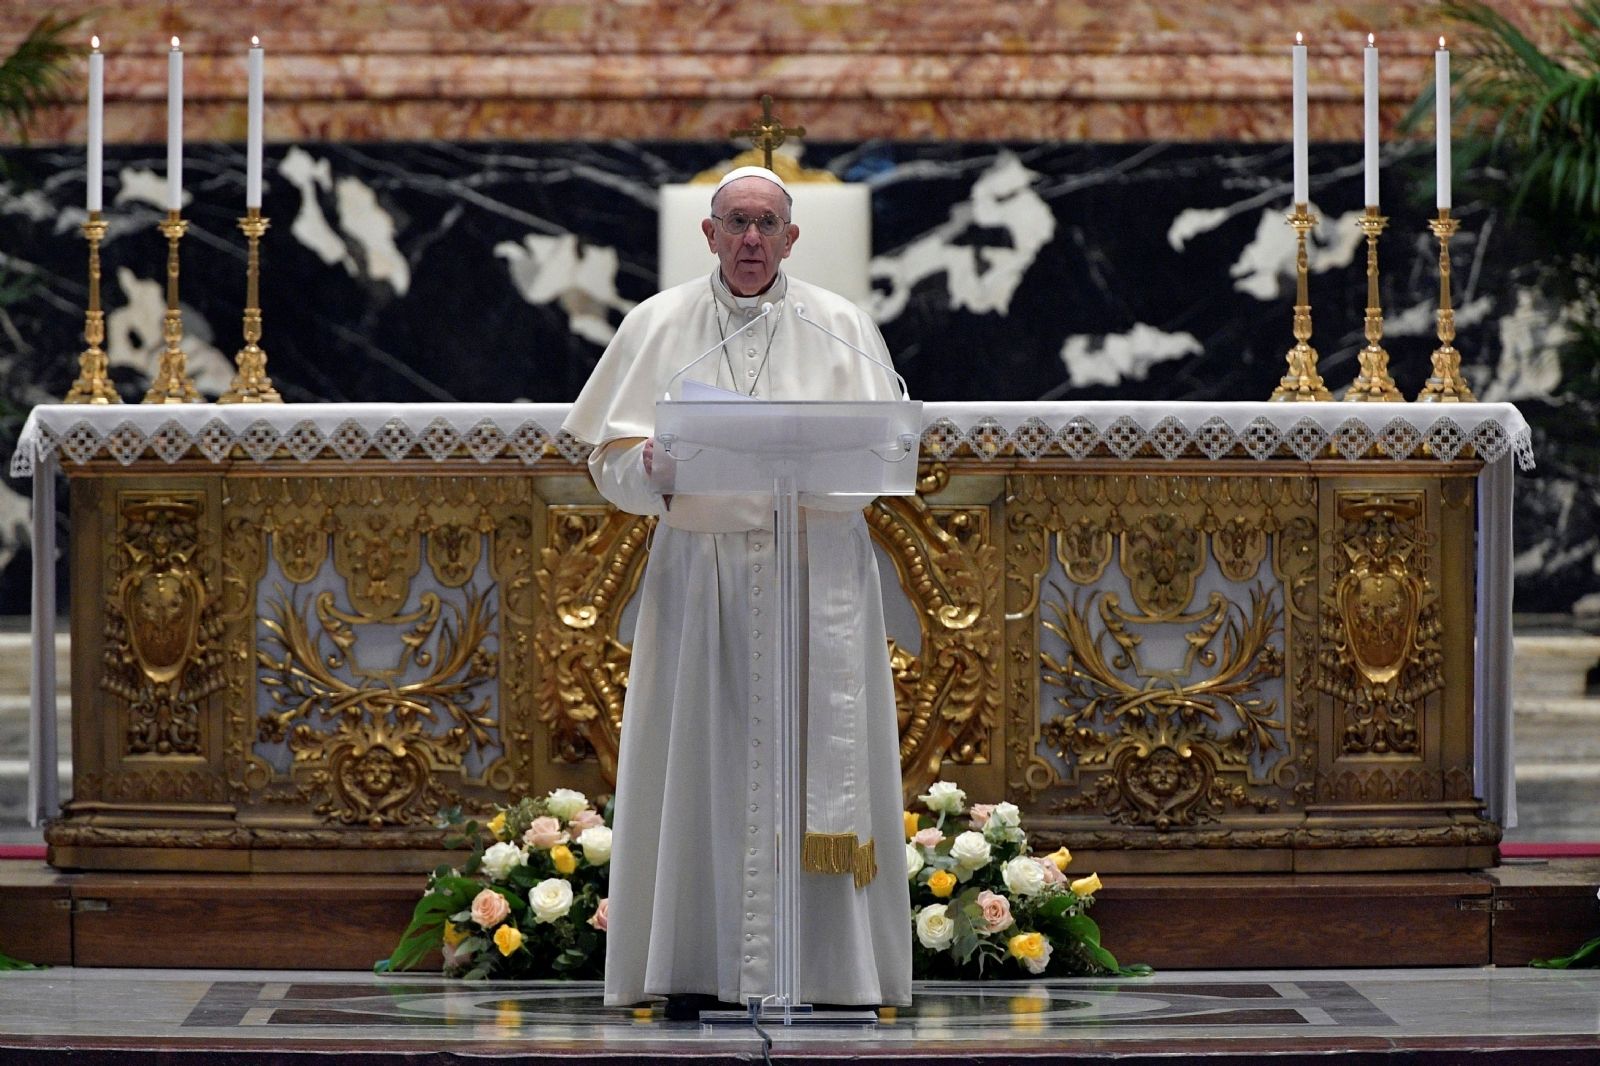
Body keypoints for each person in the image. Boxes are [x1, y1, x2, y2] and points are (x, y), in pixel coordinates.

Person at [562, 166, 912, 1016]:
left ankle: (833, 974)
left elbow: (887, 447)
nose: (751, 239)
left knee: (817, 764)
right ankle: (694, 964)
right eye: (736, 223)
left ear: (792, 238)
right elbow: (606, 459)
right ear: (709, 234)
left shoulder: (841, 325)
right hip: (702, 574)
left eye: (766, 224)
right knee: (698, 760)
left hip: (817, 571)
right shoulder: (657, 323)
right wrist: (648, 468)